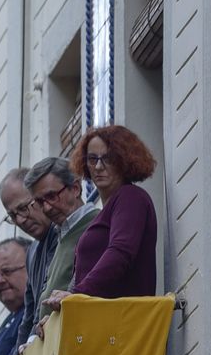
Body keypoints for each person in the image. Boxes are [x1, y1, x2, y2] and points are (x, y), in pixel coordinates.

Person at [46, 124, 159, 306]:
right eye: (92, 159)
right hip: (100, 321)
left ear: (125, 159)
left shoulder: (130, 197)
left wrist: (77, 295)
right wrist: (59, 314)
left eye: (108, 158)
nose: (98, 166)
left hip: (121, 322)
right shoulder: (105, 210)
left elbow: (120, 253)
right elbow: (80, 279)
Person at [23, 156, 99, 336]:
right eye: (40, 202)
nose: (47, 208)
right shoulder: (61, 235)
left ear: (75, 188)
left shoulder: (96, 226)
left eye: (51, 196)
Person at [0, 167, 55, 326]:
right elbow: (30, 316)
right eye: (13, 216)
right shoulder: (31, 253)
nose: (21, 220)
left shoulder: (66, 232)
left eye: (23, 208)